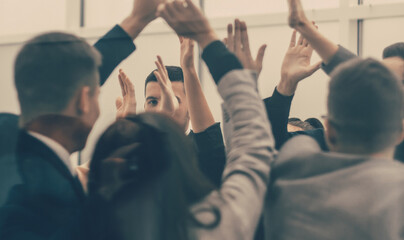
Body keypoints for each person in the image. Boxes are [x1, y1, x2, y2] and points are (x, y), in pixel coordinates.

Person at [86, 0, 276, 239]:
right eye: (151, 101)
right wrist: (207, 38)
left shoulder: (98, 223)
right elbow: (253, 144)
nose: (161, 108)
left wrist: (135, 21)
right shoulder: (217, 225)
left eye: (172, 99)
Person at [0, 0, 165, 239]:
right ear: (84, 100)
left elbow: (69, 77)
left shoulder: (6, 137)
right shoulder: (52, 197)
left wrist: (136, 20)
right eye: (97, 95)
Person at [264, 0, 404, 161]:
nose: (378, 85)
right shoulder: (341, 139)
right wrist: (285, 85)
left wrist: (312, 35)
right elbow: (275, 148)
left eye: (390, 82)